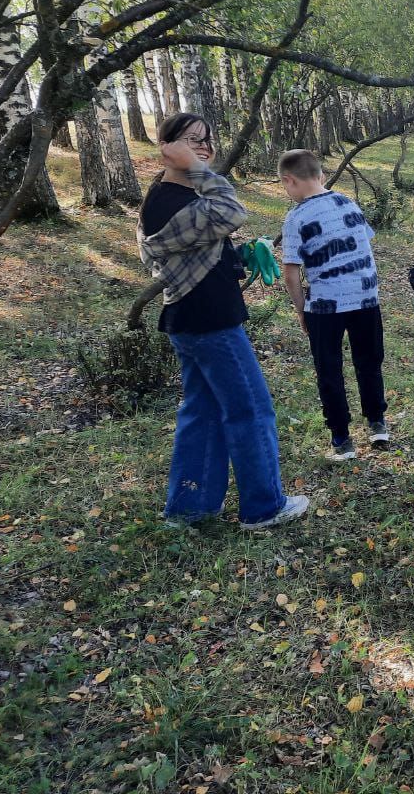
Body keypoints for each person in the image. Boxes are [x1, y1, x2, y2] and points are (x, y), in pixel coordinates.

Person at [138, 113, 308, 530]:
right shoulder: (167, 199)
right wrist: (196, 168)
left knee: (203, 412)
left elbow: (198, 245)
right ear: (166, 146)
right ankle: (264, 507)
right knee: (250, 410)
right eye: (190, 140)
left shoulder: (174, 198)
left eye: (207, 140)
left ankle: (189, 508)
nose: (203, 148)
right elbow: (232, 209)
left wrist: (238, 254)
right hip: (210, 323)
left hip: (192, 319)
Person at [278, 149, 389, 461]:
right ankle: (377, 423)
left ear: (289, 180)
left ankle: (342, 439)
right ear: (321, 176)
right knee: (369, 361)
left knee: (329, 370)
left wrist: (301, 310)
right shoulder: (346, 202)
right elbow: (365, 242)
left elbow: (290, 273)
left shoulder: (295, 218)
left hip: (325, 307)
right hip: (366, 298)